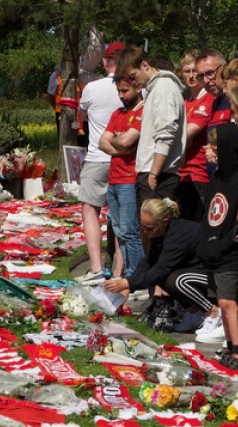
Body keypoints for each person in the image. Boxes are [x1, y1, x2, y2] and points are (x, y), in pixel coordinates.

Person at [103, 198, 211, 332]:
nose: (145, 232)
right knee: (165, 278)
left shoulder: (178, 234)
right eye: (142, 227)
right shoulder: (161, 232)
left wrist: (128, 284)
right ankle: (194, 313)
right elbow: (149, 261)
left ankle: (213, 313)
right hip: (194, 272)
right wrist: (128, 284)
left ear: (164, 221)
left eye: (149, 228)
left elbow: (160, 270)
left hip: (213, 275)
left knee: (174, 280)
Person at [197, 124, 238, 361]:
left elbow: (237, 218)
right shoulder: (216, 175)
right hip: (212, 248)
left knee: (229, 302)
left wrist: (225, 243)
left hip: (229, 251)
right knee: (221, 300)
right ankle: (230, 346)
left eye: (213, 146)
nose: (207, 149)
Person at [74, 42, 125, 285]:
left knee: (90, 210)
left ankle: (95, 267)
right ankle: (118, 270)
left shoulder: (92, 88)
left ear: (105, 62)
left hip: (96, 156)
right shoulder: (135, 88)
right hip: (123, 157)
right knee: (120, 214)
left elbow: (81, 117)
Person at [116, 47, 186, 206]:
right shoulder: (157, 88)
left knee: (155, 228)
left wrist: (154, 174)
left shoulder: (164, 87)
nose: (133, 83)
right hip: (154, 172)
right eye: (129, 79)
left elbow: (166, 132)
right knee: (148, 228)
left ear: (145, 65)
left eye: (133, 76)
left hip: (159, 175)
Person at [99, 74, 144, 280]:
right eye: (118, 91)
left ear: (137, 87)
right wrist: (121, 148)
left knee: (129, 231)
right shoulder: (118, 113)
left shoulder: (143, 111)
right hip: (114, 179)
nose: (121, 95)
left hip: (129, 179)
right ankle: (128, 274)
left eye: (125, 91)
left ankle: (135, 275)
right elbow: (103, 142)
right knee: (118, 231)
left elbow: (126, 141)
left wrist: (119, 142)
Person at [180, 49, 214, 222]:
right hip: (180, 173)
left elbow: (183, 136)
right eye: (187, 71)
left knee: (193, 228)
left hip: (198, 174)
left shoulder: (208, 99)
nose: (191, 76)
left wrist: (181, 136)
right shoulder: (184, 101)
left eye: (195, 71)